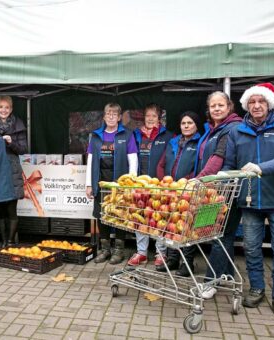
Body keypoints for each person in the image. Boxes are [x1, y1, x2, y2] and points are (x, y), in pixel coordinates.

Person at [223, 83, 274, 320]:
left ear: (269, 104)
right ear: (246, 105)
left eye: (261, 101)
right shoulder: (237, 131)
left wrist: (261, 168)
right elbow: (230, 164)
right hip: (250, 201)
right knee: (251, 249)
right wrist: (223, 178)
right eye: (252, 101)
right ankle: (256, 288)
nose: (256, 105)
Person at [193, 91, 242, 299]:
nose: (217, 109)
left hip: (227, 191)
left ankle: (210, 281)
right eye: (213, 106)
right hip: (214, 191)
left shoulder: (232, 127)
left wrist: (198, 180)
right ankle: (227, 275)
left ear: (229, 106)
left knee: (220, 236)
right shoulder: (214, 129)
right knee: (221, 235)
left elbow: (217, 158)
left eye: (221, 105)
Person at [86, 103, 138, 265]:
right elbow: (90, 160)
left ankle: (119, 251)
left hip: (120, 183)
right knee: (102, 216)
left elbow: (133, 159)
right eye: (108, 114)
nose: (111, 117)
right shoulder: (95, 136)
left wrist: (131, 182)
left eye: (114, 114)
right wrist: (89, 184)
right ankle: (105, 249)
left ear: (119, 117)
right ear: (104, 117)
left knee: (120, 216)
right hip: (101, 182)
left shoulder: (127, 135)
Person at [127, 104, 174, 267]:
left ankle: (161, 253)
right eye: (148, 116)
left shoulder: (168, 136)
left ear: (159, 118)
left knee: (160, 219)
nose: (151, 119)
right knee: (140, 218)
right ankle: (141, 253)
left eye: (154, 116)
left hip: (159, 185)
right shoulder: (135, 134)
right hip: (140, 184)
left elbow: (171, 160)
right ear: (144, 117)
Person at [156, 111, 201, 276]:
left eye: (190, 123)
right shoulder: (173, 142)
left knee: (187, 228)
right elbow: (161, 164)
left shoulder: (199, 142)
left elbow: (200, 168)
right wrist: (165, 183)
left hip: (188, 191)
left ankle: (187, 263)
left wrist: (185, 183)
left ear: (196, 125)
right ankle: (172, 259)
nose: (187, 126)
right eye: (184, 123)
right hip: (170, 192)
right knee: (171, 225)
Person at [0, 96, 27, 247]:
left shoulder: (19, 124)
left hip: (12, 168)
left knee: (11, 209)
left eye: (7, 107)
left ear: (11, 109)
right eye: (1, 107)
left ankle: (10, 241)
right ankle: (3, 242)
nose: (3, 110)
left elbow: (23, 149)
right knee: (0, 209)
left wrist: (11, 142)